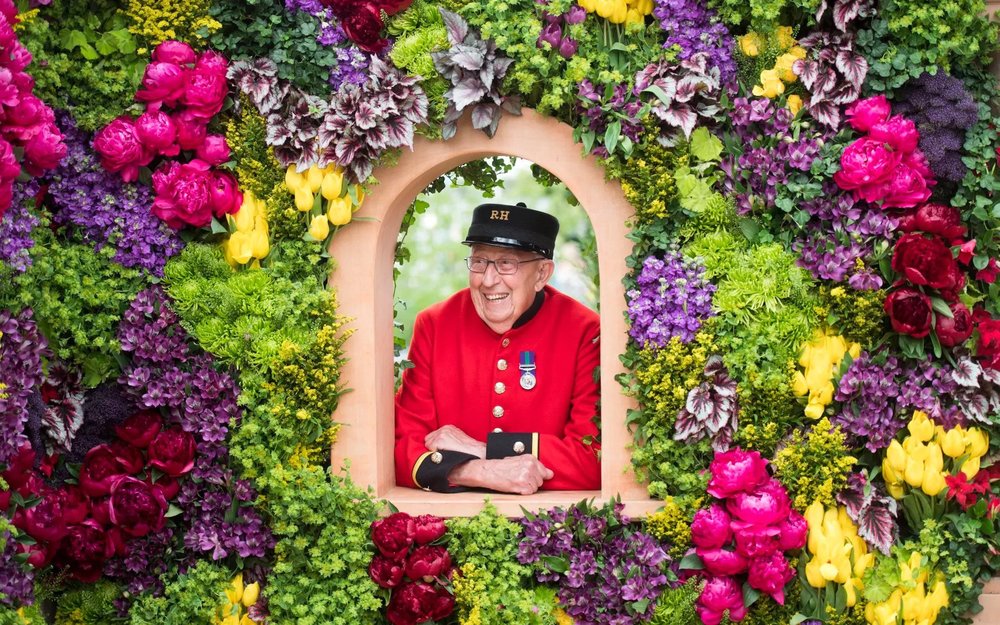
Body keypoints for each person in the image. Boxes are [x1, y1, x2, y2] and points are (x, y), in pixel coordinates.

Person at [394, 201, 601, 494]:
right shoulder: (434, 325)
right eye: (479, 262)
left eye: (507, 263)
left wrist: (480, 449)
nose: (488, 281)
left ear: (542, 274)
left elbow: (593, 458)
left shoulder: (585, 331)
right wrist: (476, 470)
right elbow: (403, 445)